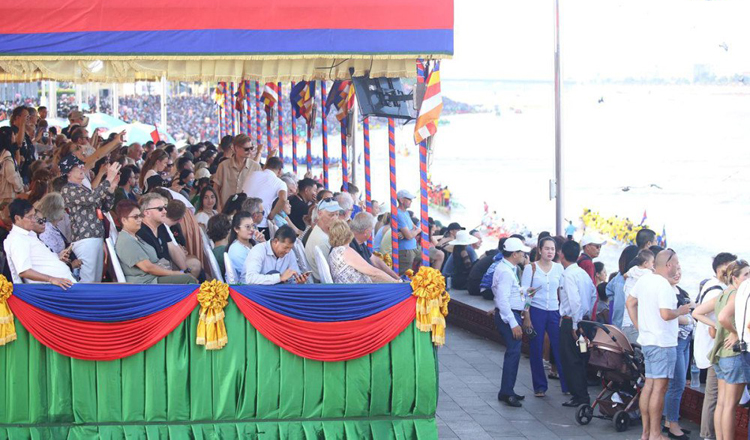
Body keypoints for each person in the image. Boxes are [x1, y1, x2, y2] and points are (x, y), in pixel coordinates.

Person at [626, 249, 691, 440]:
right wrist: (680, 311)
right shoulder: (663, 285)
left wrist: (641, 327)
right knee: (659, 389)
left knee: (649, 385)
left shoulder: (645, 279)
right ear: (669, 265)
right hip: (662, 343)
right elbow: (665, 314)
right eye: (677, 265)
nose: (678, 268)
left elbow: (630, 303)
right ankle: (655, 433)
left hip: (648, 341)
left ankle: (646, 433)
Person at [693, 260, 750, 440]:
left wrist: (717, 327)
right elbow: (725, 316)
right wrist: (734, 332)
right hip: (733, 354)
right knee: (730, 406)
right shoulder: (737, 294)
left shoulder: (723, 294)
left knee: (722, 404)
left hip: (719, 355)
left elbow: (696, 312)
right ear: (734, 278)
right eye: (746, 275)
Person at [60, 159, 119, 282]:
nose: (82, 168)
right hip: (85, 239)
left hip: (96, 237)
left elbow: (104, 207)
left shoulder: (84, 188)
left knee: (96, 280)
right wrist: (108, 179)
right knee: (87, 280)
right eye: (78, 167)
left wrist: (111, 188)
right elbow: (92, 199)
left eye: (82, 165)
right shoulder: (67, 189)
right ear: (68, 173)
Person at [521, 236, 566, 398]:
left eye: (552, 249)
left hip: (554, 311)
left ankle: (566, 384)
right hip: (537, 311)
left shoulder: (559, 269)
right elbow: (526, 294)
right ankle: (540, 386)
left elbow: (561, 291)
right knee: (536, 348)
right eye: (546, 248)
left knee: (559, 347)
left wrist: (563, 312)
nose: (550, 252)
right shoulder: (531, 268)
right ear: (540, 250)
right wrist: (527, 316)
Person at [114, 200, 196, 284]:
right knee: (188, 279)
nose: (140, 219)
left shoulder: (135, 237)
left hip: (154, 278)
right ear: (124, 220)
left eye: (140, 216)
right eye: (135, 217)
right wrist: (175, 273)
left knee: (189, 275)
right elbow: (148, 267)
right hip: (147, 283)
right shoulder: (126, 241)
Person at [493, 237, 532, 407]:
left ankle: (507, 389)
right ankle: (507, 392)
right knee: (513, 353)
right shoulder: (506, 272)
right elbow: (502, 300)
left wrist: (523, 290)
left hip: (511, 314)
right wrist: (513, 323)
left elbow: (508, 293)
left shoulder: (508, 268)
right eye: (522, 252)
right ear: (515, 254)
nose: (524, 255)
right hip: (509, 315)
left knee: (513, 353)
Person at [558, 240, 596, 408]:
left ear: (561, 254)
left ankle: (580, 396)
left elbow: (574, 302)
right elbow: (593, 295)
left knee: (571, 359)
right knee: (581, 358)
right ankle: (582, 395)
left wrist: (575, 325)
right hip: (585, 322)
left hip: (572, 324)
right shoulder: (582, 273)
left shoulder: (568, 275)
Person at [4, 199, 75, 288]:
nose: (34, 220)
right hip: (52, 288)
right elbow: (24, 271)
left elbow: (38, 262)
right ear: (17, 218)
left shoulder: (29, 235)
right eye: (30, 217)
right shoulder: (17, 239)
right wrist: (51, 279)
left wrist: (57, 258)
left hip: (63, 283)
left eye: (34, 216)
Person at [328, 220, 397, 284]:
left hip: (350, 290)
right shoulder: (346, 252)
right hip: (358, 292)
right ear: (348, 234)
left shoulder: (335, 251)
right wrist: (396, 282)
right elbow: (373, 273)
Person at [244, 225, 309, 285]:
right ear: (275, 241)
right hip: (256, 294)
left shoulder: (290, 253)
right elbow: (250, 278)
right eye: (285, 247)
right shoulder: (258, 250)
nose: (288, 251)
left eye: (290, 248)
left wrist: (299, 282)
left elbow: (293, 278)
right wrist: (279, 278)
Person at [242, 156, 286, 239]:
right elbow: (283, 198)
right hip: (260, 222)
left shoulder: (252, 174)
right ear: (279, 170)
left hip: (242, 218)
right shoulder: (280, 183)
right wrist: (272, 215)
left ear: (265, 166)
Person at [213, 134, 261, 206]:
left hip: (246, 212)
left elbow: (259, 189)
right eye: (246, 149)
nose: (250, 151)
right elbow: (216, 188)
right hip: (226, 211)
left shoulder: (255, 167)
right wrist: (219, 207)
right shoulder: (223, 166)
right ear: (236, 148)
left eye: (251, 148)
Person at [348, 212, 399, 280]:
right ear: (366, 232)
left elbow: (376, 261)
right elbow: (372, 272)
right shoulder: (349, 244)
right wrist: (395, 281)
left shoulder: (361, 243)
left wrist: (395, 277)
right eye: (371, 230)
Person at [304, 198, 343, 282]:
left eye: (337, 214)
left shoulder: (320, 231)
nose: (335, 218)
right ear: (319, 213)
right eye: (331, 215)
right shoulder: (322, 241)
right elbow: (332, 272)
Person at [621, 249, 655, 344]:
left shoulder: (632, 270)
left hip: (626, 323)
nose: (653, 265)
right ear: (645, 263)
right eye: (653, 262)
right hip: (637, 324)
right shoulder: (649, 274)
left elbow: (624, 275)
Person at [606, 245, 639, 328]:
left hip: (619, 327)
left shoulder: (618, 278)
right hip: (623, 328)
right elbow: (619, 308)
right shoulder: (623, 282)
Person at [226, 211, 263, 282]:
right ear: (236, 229)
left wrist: (263, 242)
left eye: (253, 226)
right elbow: (250, 273)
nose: (252, 229)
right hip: (246, 287)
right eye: (248, 227)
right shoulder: (236, 249)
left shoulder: (254, 243)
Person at [394, 189, 421, 275]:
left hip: (412, 248)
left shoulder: (405, 213)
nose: (411, 201)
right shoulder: (398, 214)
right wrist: (417, 230)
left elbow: (414, 227)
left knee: (437, 255)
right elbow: (409, 235)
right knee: (404, 276)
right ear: (401, 200)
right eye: (409, 199)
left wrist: (409, 232)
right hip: (405, 251)